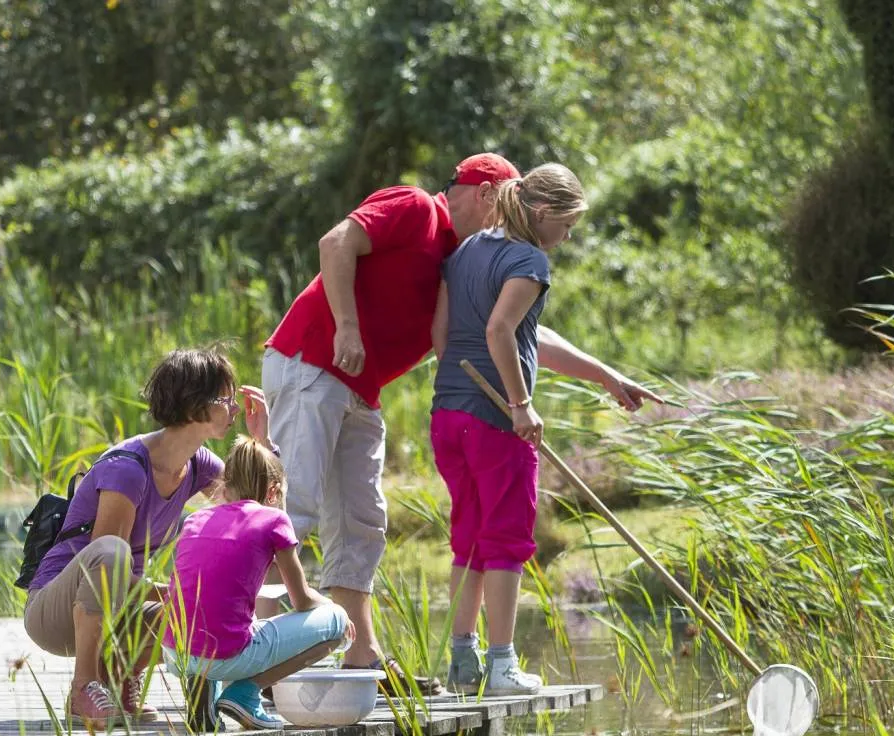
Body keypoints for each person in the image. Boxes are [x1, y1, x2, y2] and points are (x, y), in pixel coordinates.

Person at [261, 151, 655, 693]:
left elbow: (521, 334)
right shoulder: (416, 206)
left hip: (361, 388)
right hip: (312, 362)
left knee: (361, 523)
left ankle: (361, 654)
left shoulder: (467, 256)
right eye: (507, 204)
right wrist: (347, 328)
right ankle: (233, 643)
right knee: (294, 506)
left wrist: (604, 374)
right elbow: (336, 244)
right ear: (488, 194)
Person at [429, 163, 605, 695]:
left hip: (449, 413)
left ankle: (464, 660)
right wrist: (520, 404)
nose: (566, 238)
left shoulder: (465, 252)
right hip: (495, 421)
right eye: (567, 226)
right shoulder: (529, 259)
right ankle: (503, 664)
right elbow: (499, 328)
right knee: (506, 539)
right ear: (543, 213)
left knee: (470, 537)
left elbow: (441, 331)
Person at [22, 347, 268, 727]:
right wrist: (167, 591)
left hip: (114, 607)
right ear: (194, 407)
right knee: (113, 552)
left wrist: (260, 443)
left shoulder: (197, 465)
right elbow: (105, 568)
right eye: (226, 399)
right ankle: (84, 687)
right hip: (53, 612)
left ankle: (120, 677)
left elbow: (254, 514)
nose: (234, 408)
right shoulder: (128, 470)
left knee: (203, 605)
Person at [159, 438, 353, 730]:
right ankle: (245, 692)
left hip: (176, 652)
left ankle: (203, 687)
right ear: (273, 492)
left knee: (216, 619)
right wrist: (336, 608)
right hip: (226, 656)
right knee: (336, 623)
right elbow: (302, 601)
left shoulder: (195, 519)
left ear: (225, 487)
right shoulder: (274, 519)